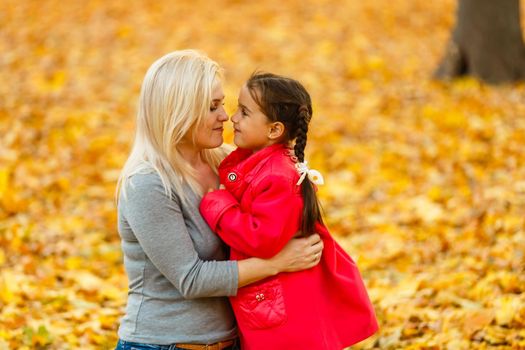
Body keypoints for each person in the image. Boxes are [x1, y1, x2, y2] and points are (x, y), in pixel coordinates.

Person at [115, 51, 325, 350]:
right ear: (178, 111)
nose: (225, 116)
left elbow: (273, 213)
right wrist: (279, 262)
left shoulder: (227, 162)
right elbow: (191, 279)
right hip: (162, 344)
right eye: (213, 107)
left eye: (222, 104)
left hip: (236, 341)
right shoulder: (147, 183)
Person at [199, 72, 379, 350]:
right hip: (271, 301)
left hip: (280, 312)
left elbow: (261, 239)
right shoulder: (263, 163)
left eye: (244, 112)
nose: (232, 118)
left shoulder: (277, 176)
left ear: (274, 130)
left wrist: (219, 207)